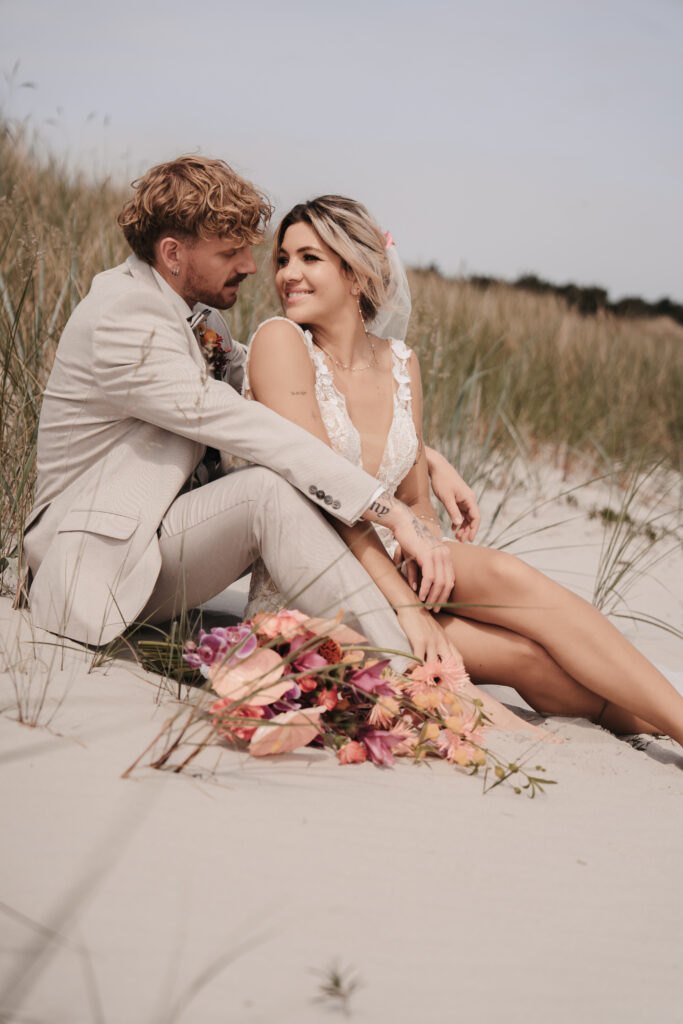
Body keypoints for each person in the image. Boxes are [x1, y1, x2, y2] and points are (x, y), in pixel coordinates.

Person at [244, 194, 683, 746]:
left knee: (510, 578)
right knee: (524, 655)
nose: (288, 274)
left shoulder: (401, 363)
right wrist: (410, 611)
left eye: (309, 258)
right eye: (284, 259)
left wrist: (425, 553)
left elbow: (415, 497)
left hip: (393, 562)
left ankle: (675, 722)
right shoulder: (280, 342)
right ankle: (670, 726)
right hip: (317, 576)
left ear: (355, 274)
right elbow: (326, 493)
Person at [20, 156, 472, 667]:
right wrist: (391, 512)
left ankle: (400, 648)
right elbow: (251, 426)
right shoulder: (125, 318)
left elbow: (276, 397)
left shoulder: (199, 319)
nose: (253, 267)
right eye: (231, 252)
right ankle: (404, 664)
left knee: (275, 488)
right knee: (267, 491)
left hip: (154, 542)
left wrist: (422, 456)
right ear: (172, 253)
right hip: (92, 566)